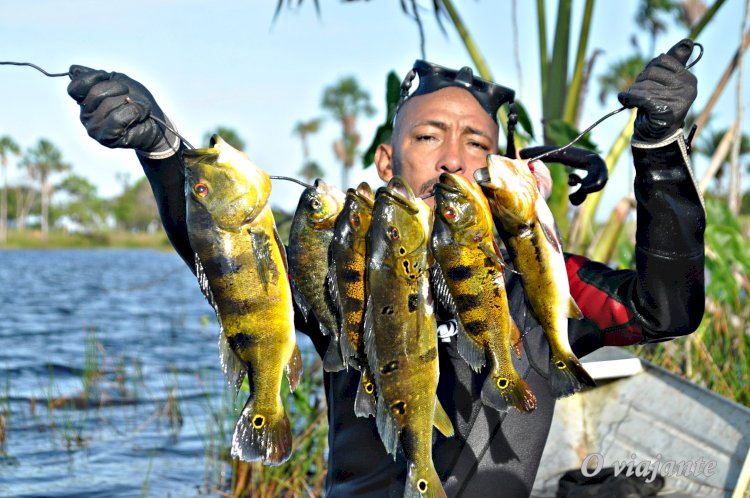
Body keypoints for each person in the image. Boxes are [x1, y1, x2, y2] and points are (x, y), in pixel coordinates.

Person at [66, 38, 705, 497]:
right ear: (385, 161)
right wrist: (163, 150)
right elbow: (234, 264)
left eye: (476, 142)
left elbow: (663, 310)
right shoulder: (340, 274)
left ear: (498, 162)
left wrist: (658, 154)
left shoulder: (538, 284)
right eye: (428, 136)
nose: (453, 158)